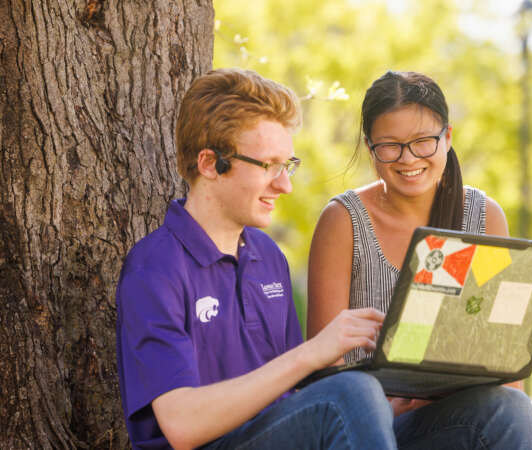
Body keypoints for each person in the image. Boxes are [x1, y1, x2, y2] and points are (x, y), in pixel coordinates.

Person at [306, 69, 532, 450]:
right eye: (389, 145)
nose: (408, 158)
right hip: (379, 416)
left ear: (448, 136)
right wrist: (388, 403)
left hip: (473, 401)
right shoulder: (344, 220)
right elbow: (325, 368)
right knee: (503, 413)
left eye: (423, 141)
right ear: (369, 146)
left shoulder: (482, 216)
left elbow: (500, 346)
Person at [116, 68, 396, 450]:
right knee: (351, 392)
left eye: (288, 165)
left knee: (492, 409)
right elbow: (181, 426)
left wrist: (394, 398)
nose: (285, 185)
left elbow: (295, 400)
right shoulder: (155, 268)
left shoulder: (268, 256)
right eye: (269, 166)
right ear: (210, 164)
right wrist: (311, 354)